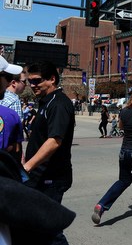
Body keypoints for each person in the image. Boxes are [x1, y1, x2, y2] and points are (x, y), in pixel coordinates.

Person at [23, 60, 76, 245]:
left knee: (49, 228)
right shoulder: (46, 103)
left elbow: (54, 141)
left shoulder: (59, 104)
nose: (32, 85)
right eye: (30, 81)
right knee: (38, 225)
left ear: (52, 79)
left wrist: (27, 166)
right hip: (38, 175)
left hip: (51, 178)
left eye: (37, 81)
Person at [92, 88, 132, 224]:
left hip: (124, 152)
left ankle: (102, 205)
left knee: (123, 181)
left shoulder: (124, 111)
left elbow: (121, 127)